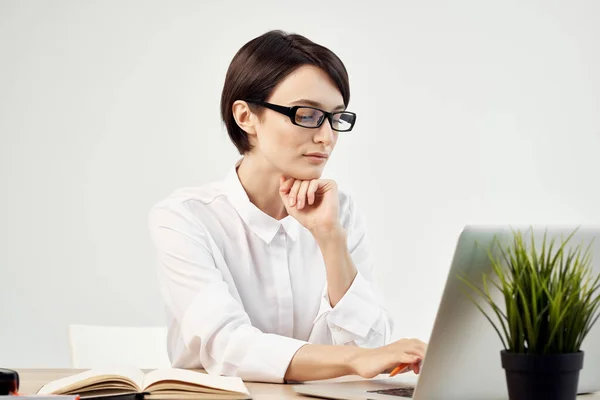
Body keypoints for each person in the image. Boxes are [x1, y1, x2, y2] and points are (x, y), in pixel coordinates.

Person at [148, 30, 426, 384]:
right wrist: (355, 359)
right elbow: (225, 345)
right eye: (307, 115)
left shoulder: (339, 211)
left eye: (336, 118)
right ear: (246, 116)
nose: (326, 137)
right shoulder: (185, 217)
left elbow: (370, 345)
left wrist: (329, 238)